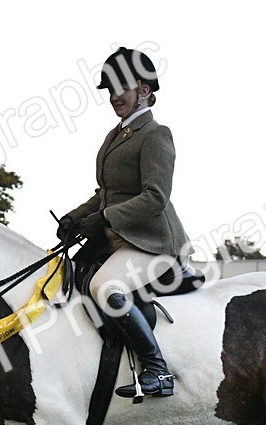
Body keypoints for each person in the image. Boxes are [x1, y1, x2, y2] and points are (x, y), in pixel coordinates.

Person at [56, 46, 196, 400]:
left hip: (153, 243)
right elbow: (107, 193)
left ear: (144, 90)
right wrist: (76, 217)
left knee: (106, 286)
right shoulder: (116, 135)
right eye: (110, 90)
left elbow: (155, 197)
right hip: (119, 241)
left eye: (121, 88)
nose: (114, 96)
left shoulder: (156, 134)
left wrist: (104, 218)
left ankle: (157, 368)